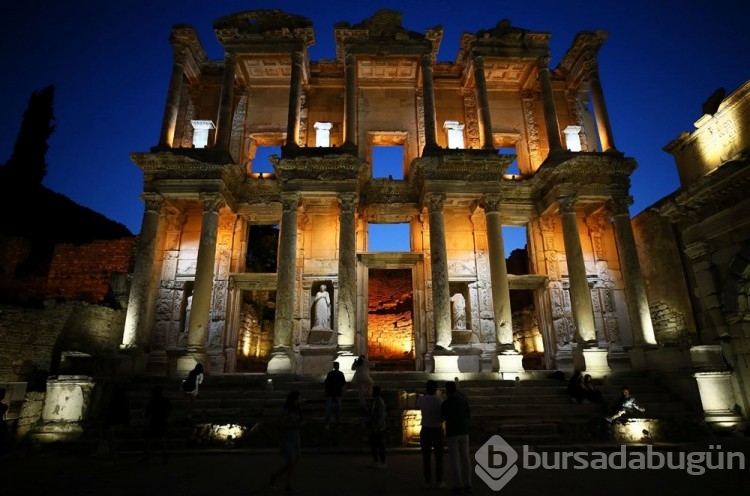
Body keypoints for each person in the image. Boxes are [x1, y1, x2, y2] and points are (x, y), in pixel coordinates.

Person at [442, 381, 472, 494]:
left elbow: (441, 418)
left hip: (452, 433)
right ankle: (468, 483)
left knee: (455, 459)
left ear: (447, 390)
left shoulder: (446, 403)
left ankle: (459, 484)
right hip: (464, 431)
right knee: (465, 457)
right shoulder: (463, 402)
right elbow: (468, 417)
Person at [270, 391, 303, 493]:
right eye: (297, 399)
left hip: (295, 437)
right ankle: (285, 482)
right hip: (287, 437)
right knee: (292, 461)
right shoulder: (286, 410)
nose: (299, 401)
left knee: (292, 462)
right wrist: (293, 426)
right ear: (292, 400)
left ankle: (279, 478)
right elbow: (280, 424)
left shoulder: (297, 410)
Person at [417, 379, 445, 489]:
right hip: (437, 429)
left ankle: (427, 480)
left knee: (426, 457)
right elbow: (442, 416)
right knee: (439, 457)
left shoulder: (422, 400)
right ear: (436, 389)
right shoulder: (439, 401)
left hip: (426, 429)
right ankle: (440, 481)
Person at [141, 385, 172, 464]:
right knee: (161, 438)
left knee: (148, 439)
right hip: (161, 420)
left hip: (154, 421)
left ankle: (146, 455)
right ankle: (165, 455)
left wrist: (146, 424)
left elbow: (148, 414)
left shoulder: (152, 401)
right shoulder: (165, 400)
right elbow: (170, 409)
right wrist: (166, 416)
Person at [101, 384, 131, 463]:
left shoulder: (114, 400)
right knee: (112, 438)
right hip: (119, 422)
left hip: (115, 422)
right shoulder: (124, 400)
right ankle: (113, 454)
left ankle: (113, 455)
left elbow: (109, 412)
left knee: (111, 438)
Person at [368, 385, 387, 468]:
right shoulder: (376, 401)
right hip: (376, 426)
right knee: (375, 444)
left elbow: (379, 415)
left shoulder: (379, 402)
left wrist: (377, 427)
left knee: (379, 444)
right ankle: (377, 460)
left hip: (378, 426)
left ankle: (382, 461)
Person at [324, 361, 346, 428]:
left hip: (336, 392)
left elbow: (343, 383)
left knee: (339, 408)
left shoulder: (339, 374)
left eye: (338, 366)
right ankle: (328, 422)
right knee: (329, 409)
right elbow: (326, 383)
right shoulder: (332, 374)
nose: (337, 367)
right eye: (336, 366)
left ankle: (337, 420)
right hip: (331, 392)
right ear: (334, 366)